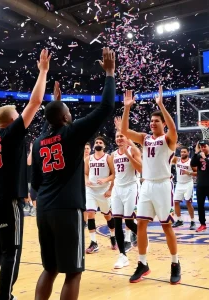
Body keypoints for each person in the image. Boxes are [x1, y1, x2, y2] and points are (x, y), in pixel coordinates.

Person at [31, 47, 116, 300]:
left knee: (50, 267)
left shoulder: (37, 143)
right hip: (67, 210)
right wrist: (110, 74)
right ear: (66, 117)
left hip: (43, 209)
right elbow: (106, 107)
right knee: (73, 272)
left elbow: (35, 182)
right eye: (68, 112)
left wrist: (56, 103)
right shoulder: (72, 133)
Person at [0, 49, 51, 300]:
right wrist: (43, 72)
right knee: (12, 251)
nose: (23, 119)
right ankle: (5, 298)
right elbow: (35, 103)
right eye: (19, 117)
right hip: (8, 200)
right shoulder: (10, 134)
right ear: (12, 120)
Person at [121, 88, 181, 284]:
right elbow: (124, 131)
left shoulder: (168, 139)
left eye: (157, 121)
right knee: (141, 225)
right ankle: (142, 263)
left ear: (162, 123)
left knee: (166, 227)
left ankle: (175, 263)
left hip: (163, 185)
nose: (153, 123)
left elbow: (173, 129)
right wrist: (127, 109)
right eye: (151, 121)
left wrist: (161, 105)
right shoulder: (145, 138)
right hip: (146, 185)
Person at [109, 123, 141, 269]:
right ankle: (122, 255)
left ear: (126, 137)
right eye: (117, 136)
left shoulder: (133, 150)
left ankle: (142, 236)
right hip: (118, 189)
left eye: (121, 135)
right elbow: (114, 174)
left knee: (128, 222)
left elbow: (141, 168)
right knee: (116, 223)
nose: (119, 138)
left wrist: (128, 154)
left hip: (131, 188)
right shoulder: (113, 155)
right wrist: (110, 188)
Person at [85, 136, 117, 253]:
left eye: (100, 142)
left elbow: (114, 174)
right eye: (96, 142)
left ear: (104, 145)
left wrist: (107, 184)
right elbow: (85, 174)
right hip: (91, 190)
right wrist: (86, 180)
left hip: (104, 191)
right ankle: (94, 242)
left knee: (107, 215)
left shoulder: (108, 158)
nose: (98, 143)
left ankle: (113, 237)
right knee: (90, 213)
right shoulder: (89, 158)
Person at [171, 147, 197, 230]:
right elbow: (168, 154)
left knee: (188, 203)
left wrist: (188, 172)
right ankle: (179, 220)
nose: (182, 153)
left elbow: (197, 172)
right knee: (175, 202)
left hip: (188, 184)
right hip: (179, 184)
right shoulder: (177, 160)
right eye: (181, 152)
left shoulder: (191, 162)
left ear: (188, 153)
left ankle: (192, 222)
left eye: (184, 152)